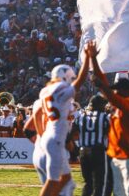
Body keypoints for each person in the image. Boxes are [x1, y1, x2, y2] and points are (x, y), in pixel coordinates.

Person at [90, 41, 129, 196]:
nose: (114, 93)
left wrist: (103, 87)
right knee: (119, 191)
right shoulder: (120, 103)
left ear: (125, 91)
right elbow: (104, 85)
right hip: (120, 154)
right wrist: (94, 60)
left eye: (117, 90)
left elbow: (110, 94)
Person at [39, 43, 90, 196]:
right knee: (53, 181)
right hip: (55, 138)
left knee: (66, 179)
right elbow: (80, 81)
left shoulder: (45, 90)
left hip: (52, 135)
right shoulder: (59, 88)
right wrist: (87, 57)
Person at [76, 95, 110, 196]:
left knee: (88, 183)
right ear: (99, 105)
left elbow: (73, 132)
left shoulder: (81, 116)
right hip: (97, 151)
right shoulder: (103, 117)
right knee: (99, 183)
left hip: (83, 151)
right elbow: (109, 132)